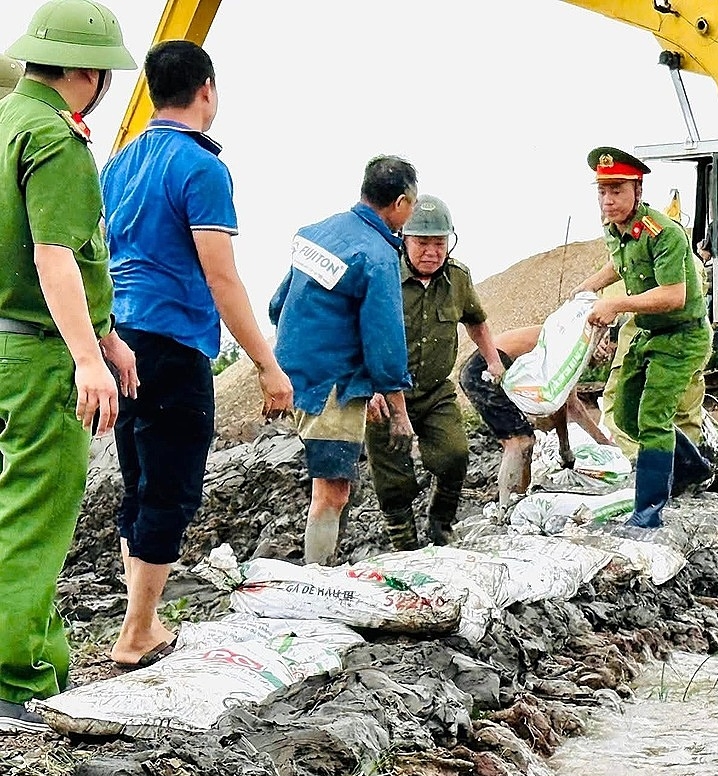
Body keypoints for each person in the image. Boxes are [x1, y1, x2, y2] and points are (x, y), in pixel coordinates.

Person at [99, 40, 294, 669]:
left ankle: (143, 622)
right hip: (171, 342)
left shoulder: (120, 163)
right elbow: (222, 276)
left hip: (118, 339)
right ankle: (137, 635)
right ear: (207, 88)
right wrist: (266, 364)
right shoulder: (201, 167)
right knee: (173, 484)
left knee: (140, 476)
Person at [0, 0, 137, 732]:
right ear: (89, 72)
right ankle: (14, 681)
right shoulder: (56, 140)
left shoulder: (4, 122)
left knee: (21, 510)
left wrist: (107, 333)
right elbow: (54, 256)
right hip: (37, 350)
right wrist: (89, 358)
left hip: (6, 341)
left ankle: (34, 661)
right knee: (37, 510)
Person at [269, 155, 418, 566]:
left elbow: (279, 302)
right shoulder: (376, 255)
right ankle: (316, 581)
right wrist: (397, 407)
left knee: (333, 487)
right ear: (402, 203)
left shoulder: (319, 233)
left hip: (298, 371)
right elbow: (385, 338)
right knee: (331, 491)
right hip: (330, 384)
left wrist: (279, 364)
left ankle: (323, 568)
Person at [571, 146, 714, 529]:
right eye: (602, 191)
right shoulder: (614, 228)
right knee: (627, 416)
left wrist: (615, 305)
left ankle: (647, 515)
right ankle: (695, 466)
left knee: (653, 418)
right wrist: (588, 287)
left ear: (638, 189)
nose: (608, 199)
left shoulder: (664, 233)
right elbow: (619, 263)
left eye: (617, 190)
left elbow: (673, 295)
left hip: (682, 336)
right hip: (649, 333)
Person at [364, 195, 505, 550]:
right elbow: (358, 332)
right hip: (385, 392)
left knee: (455, 454)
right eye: (421, 243)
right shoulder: (383, 275)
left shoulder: (457, 278)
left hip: (434, 391)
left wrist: (493, 360)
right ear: (404, 241)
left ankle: (441, 521)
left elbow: (477, 321)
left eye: (438, 243)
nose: (431, 251)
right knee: (393, 474)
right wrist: (369, 386)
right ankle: (403, 540)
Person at [460, 325, 615, 507]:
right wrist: (565, 451)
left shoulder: (571, 340)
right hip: (484, 369)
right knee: (520, 442)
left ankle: (520, 497)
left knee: (526, 439)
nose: (602, 362)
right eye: (605, 354)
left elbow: (571, 404)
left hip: (489, 366)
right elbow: (559, 405)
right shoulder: (568, 342)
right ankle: (507, 506)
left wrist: (604, 444)